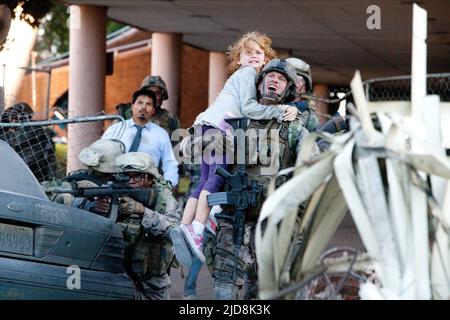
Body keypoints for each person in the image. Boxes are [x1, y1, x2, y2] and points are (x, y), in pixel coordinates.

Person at [172, 31, 299, 266]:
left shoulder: (243, 76)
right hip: (218, 130)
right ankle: (197, 231)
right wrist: (280, 111)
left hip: (207, 126)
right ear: (238, 60)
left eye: (258, 53)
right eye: (247, 53)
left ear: (265, 59)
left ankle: (185, 226)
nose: (253, 57)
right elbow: (250, 108)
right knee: (215, 181)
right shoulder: (248, 74)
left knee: (202, 182)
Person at [211, 59, 319, 300]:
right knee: (224, 289)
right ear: (259, 84)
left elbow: (313, 171)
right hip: (235, 218)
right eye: (270, 76)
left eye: (281, 80)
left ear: (288, 90)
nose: (274, 81)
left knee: (271, 289)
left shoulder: (294, 129)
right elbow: (201, 151)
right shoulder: (236, 118)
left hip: (274, 222)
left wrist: (294, 210)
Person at [95, 152, 181, 299]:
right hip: (120, 276)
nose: (131, 181)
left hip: (152, 280)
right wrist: (98, 208)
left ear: (149, 178)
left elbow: (175, 232)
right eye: (126, 176)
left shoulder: (164, 198)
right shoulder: (115, 190)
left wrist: (142, 211)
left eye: (136, 176)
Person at [102, 88, 179, 187]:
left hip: (148, 187)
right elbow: (101, 155)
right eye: (140, 103)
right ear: (132, 106)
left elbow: (170, 163)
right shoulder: (115, 129)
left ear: (153, 110)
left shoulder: (161, 134)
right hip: (115, 184)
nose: (143, 107)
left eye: (148, 104)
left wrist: (168, 184)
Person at [0, 102, 56, 182]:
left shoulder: (23, 133)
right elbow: (51, 160)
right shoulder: (41, 131)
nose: (12, 121)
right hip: (40, 175)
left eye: (14, 118)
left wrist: (3, 122)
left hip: (23, 174)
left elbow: (9, 138)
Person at [116, 75, 180, 137]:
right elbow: (113, 140)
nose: (153, 97)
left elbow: (179, 144)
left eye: (156, 93)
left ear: (162, 96)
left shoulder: (171, 119)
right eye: (149, 93)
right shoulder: (126, 114)